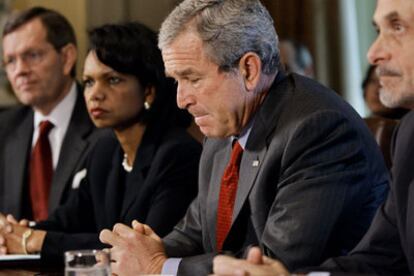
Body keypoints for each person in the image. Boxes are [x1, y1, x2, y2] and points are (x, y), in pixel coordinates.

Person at [98, 0, 389, 275]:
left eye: (193, 79)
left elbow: (272, 264)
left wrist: (159, 267)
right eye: (176, 81)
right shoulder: (225, 128)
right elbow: (195, 232)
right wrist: (142, 253)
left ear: (249, 70)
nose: (181, 99)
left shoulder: (319, 129)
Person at [212, 0, 414, 275]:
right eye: (378, 29)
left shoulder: (318, 127)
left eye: (398, 27)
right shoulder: (409, 135)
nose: (373, 53)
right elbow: (378, 261)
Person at [0, 22, 201, 262]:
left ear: (149, 91)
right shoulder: (104, 149)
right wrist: (16, 233)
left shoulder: (177, 154)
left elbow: (141, 248)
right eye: (89, 82)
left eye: (112, 80)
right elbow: (67, 221)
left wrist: (36, 240)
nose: (95, 94)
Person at [0, 7, 103, 222]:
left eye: (33, 55)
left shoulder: (103, 121)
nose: (20, 70)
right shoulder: (5, 128)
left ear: (67, 58)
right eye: (10, 61)